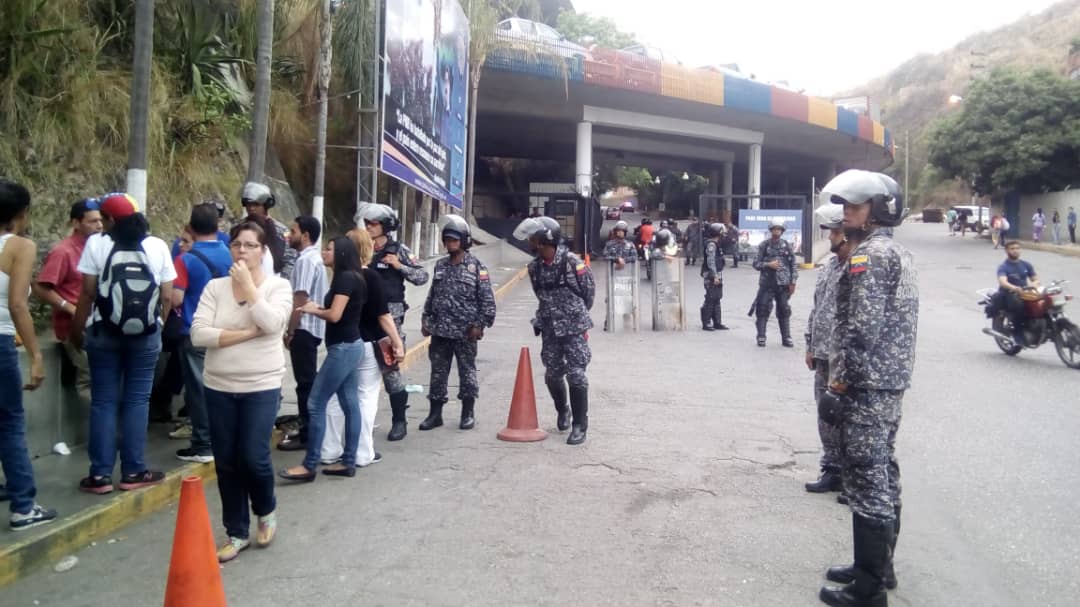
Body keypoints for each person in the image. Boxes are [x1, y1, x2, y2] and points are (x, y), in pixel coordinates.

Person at [817, 170, 918, 605]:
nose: (845, 214)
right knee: (882, 469)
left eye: (855, 206)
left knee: (865, 477)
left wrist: (839, 384)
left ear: (879, 211)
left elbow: (861, 329)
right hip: (887, 383)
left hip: (866, 385)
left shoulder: (870, 257)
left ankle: (869, 590)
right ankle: (876, 567)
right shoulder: (895, 252)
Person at [190, 220, 293, 562]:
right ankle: (236, 531)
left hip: (261, 384)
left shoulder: (279, 287)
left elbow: (274, 324)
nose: (242, 251)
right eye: (237, 244)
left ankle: (265, 510)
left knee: (253, 456)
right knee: (227, 463)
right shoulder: (215, 288)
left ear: (263, 252)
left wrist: (250, 289)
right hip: (219, 385)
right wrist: (249, 333)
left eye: (250, 245)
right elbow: (199, 335)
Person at [71, 193, 176, 494]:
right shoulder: (156, 246)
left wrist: (78, 330)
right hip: (145, 335)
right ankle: (133, 471)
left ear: (111, 220)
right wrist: (156, 325)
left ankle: (100, 476)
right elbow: (167, 296)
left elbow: (88, 293)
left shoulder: (96, 244)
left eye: (103, 218)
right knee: (137, 400)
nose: (100, 223)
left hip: (104, 333)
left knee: (103, 401)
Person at [279, 236, 369, 481]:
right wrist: (320, 307)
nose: (324, 252)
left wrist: (313, 310)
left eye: (329, 249)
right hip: (351, 346)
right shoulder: (353, 277)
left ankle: (309, 465)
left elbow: (335, 315)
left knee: (315, 403)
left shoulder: (345, 279)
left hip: (343, 349)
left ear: (340, 253)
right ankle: (348, 461)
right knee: (350, 405)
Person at [320, 228, 405, 467]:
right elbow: (383, 316)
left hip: (341, 344)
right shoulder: (369, 277)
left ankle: (329, 449)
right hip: (366, 345)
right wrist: (397, 343)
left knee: (336, 398)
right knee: (366, 397)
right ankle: (361, 452)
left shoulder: (341, 277)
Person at [0, 180, 56, 530]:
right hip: (0, 339)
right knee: (9, 422)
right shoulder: (20, 246)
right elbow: (19, 303)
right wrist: (36, 354)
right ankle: (24, 507)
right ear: (22, 214)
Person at [513, 216, 595, 445]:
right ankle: (563, 410)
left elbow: (588, 295)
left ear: (544, 239)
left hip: (574, 328)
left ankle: (580, 425)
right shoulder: (534, 268)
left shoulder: (572, 263)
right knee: (552, 375)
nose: (530, 241)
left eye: (533, 237)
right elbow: (540, 295)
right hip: (549, 328)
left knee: (576, 375)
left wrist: (575, 319)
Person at [419, 216, 497, 431]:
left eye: (454, 240)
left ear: (463, 241)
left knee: (467, 373)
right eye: (447, 240)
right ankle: (435, 414)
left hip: (465, 332)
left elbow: (487, 301)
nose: (449, 244)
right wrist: (426, 319)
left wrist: (480, 324)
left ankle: (467, 413)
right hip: (441, 331)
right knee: (437, 373)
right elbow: (432, 296)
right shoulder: (440, 265)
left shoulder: (476, 267)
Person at [361, 204, 429, 442]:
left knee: (390, 371)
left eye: (373, 223)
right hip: (362, 317)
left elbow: (422, 276)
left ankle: (399, 420)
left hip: (391, 320)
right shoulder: (363, 248)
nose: (368, 227)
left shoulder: (398, 250)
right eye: (367, 223)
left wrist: (399, 266)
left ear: (386, 227)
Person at [172, 204, 234, 464]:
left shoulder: (185, 259)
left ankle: (203, 443)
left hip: (195, 332)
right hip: (225, 331)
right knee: (223, 387)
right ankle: (225, 437)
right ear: (217, 226)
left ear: (191, 227)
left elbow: (175, 297)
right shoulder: (230, 254)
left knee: (198, 391)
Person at [33, 198, 103, 407]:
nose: (99, 225)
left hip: (98, 323)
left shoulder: (98, 248)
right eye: (92, 221)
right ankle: (98, 432)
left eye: (100, 220)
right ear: (76, 223)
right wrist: (69, 308)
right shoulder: (63, 252)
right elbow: (41, 287)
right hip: (75, 326)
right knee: (89, 378)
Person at [802, 205, 850, 495]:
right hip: (821, 353)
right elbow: (817, 307)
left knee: (846, 416)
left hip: (843, 356)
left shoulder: (858, 266)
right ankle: (831, 469)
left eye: (834, 232)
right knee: (825, 413)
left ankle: (851, 477)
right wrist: (810, 344)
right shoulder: (830, 267)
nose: (829, 237)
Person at [278, 216, 329, 452]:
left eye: (293, 230)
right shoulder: (310, 258)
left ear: (306, 235)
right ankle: (309, 429)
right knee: (307, 382)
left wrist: (290, 330)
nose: (289, 235)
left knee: (305, 385)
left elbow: (301, 297)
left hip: (305, 328)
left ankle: (308, 434)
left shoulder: (306, 261)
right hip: (310, 328)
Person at [752, 219, 798, 347]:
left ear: (782, 231)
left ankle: (786, 337)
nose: (777, 231)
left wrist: (793, 281)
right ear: (771, 230)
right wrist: (768, 264)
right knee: (762, 308)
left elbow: (793, 264)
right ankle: (761, 336)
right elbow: (755, 264)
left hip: (783, 284)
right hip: (767, 283)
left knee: (784, 309)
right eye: (775, 229)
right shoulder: (764, 245)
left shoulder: (787, 246)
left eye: (779, 229)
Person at [240, 182, 295, 280]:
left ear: (266, 205)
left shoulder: (282, 230)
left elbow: (290, 259)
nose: (251, 208)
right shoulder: (239, 227)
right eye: (248, 204)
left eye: (256, 205)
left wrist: (280, 283)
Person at [990, 241, 1039, 346]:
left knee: (1041, 302)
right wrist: (1014, 288)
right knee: (1019, 305)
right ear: (1007, 250)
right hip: (1008, 294)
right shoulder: (1003, 267)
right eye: (1012, 248)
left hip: (1025, 292)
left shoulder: (1026, 265)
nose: (1015, 250)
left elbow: (1035, 279)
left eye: (1017, 248)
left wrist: (1034, 284)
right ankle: (1018, 332)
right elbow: (1003, 282)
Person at [701, 222, 728, 331]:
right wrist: (715, 276)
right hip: (711, 275)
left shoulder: (716, 244)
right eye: (722, 231)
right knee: (711, 298)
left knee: (717, 298)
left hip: (717, 274)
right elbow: (711, 261)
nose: (724, 233)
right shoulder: (711, 244)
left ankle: (717, 322)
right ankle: (706, 322)